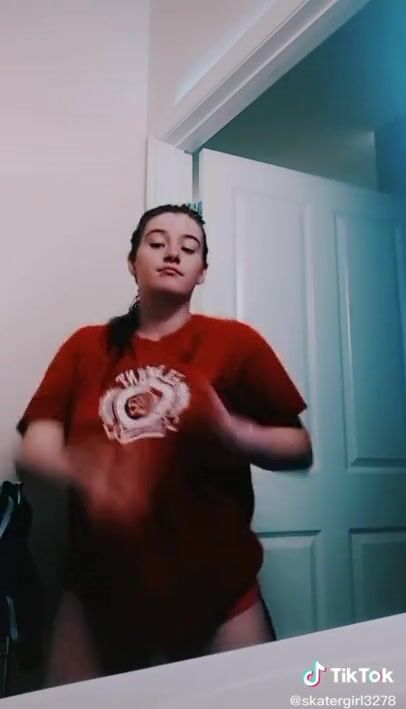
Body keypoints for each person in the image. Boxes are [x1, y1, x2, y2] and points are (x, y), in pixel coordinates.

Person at [16, 204, 312, 685]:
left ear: (202, 272)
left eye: (188, 248)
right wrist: (89, 475)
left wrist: (235, 434)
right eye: (156, 243)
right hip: (97, 593)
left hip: (219, 593)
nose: (172, 253)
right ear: (132, 262)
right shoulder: (84, 347)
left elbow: (299, 446)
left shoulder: (237, 343)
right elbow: (34, 448)